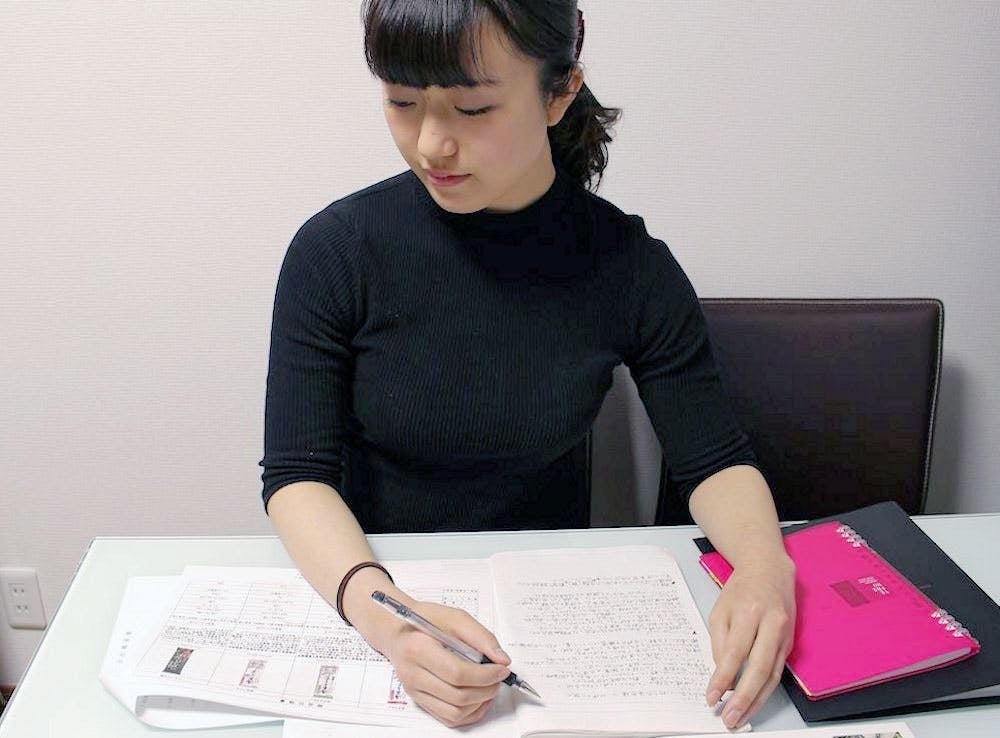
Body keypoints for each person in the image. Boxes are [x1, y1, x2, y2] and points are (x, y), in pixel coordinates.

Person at [261, 0, 795, 730]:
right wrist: (384, 616)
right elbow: (297, 475)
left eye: (474, 109)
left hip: (550, 624)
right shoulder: (336, 253)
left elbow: (715, 460)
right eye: (402, 102)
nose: (431, 145)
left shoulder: (626, 264)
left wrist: (765, 570)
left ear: (560, 92)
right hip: (374, 590)